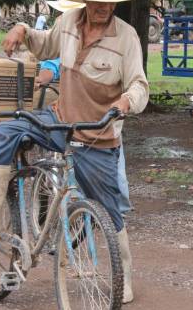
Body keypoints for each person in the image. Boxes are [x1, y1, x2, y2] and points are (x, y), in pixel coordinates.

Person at [0, 0, 149, 305]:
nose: (104, 7)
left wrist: (125, 102)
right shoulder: (68, 22)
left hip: (96, 136)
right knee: (2, 132)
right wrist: (23, 30)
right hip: (59, 123)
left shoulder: (127, 37)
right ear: (86, 0)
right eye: (97, 0)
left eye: (109, 0)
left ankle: (124, 276)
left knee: (110, 210)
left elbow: (140, 86)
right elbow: (44, 46)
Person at [36, 56, 135, 217]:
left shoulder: (111, 51)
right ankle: (102, 210)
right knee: (100, 164)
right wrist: (42, 78)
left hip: (102, 121)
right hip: (90, 118)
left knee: (106, 165)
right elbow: (53, 66)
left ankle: (111, 210)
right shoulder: (74, 45)